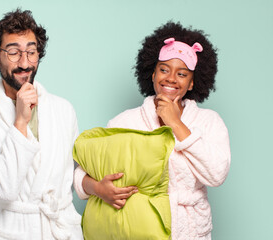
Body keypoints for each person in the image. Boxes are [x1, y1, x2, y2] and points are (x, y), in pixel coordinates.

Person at [74, 21, 231, 240]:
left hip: (191, 230)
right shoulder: (125, 121)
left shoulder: (209, 122)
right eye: (164, 69)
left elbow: (217, 174)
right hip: (137, 229)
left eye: (182, 74)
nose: (170, 79)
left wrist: (175, 123)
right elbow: (81, 173)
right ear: (152, 74)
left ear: (193, 83)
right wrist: (98, 189)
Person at [0, 9, 83, 240]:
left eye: (32, 52)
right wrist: (21, 120)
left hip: (62, 229)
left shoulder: (63, 109)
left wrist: (96, 187)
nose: (24, 63)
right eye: (14, 52)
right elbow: (3, 189)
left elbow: (71, 174)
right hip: (13, 230)